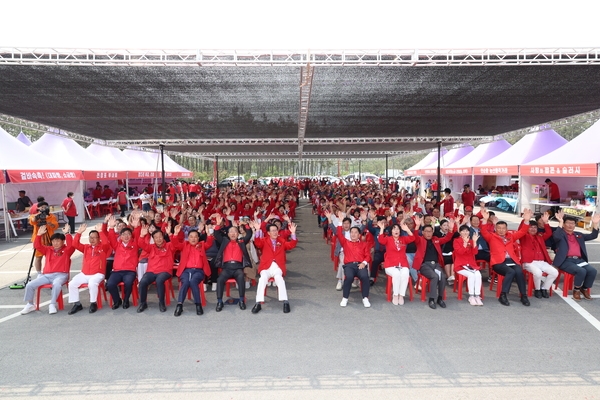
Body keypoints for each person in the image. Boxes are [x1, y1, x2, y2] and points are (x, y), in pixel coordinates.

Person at [480, 208, 533, 306]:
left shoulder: (511, 236)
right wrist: (484, 220)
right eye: (499, 228)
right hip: (498, 262)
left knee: (519, 271)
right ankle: (503, 295)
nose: (501, 230)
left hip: (511, 260)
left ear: (506, 229)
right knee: (511, 271)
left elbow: (522, 232)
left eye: (503, 228)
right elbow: (483, 231)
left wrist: (526, 220)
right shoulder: (491, 237)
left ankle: (523, 295)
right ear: (496, 228)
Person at [20, 224, 75, 315]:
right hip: (47, 276)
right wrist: (38, 235)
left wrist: (67, 234)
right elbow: (37, 246)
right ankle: (30, 304)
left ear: (63, 241)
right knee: (30, 285)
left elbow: (72, 246)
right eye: (53, 241)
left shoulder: (67, 250)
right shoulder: (48, 249)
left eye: (58, 241)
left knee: (57, 284)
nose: (55, 243)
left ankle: (52, 304)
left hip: (61, 275)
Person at [250, 221, 298, 314]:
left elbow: (291, 245)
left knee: (279, 279)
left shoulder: (282, 241)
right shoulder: (264, 240)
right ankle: (258, 303)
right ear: (268, 233)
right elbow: (257, 243)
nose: (275, 232)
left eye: (276, 230)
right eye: (273, 231)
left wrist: (293, 233)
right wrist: (258, 230)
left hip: (277, 267)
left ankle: (285, 302)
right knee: (262, 279)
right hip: (266, 267)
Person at [553, 211, 600, 301]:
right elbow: (556, 236)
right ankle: (576, 290)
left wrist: (595, 223)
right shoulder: (561, 234)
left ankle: (584, 288)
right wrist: (560, 222)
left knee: (592, 271)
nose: (570, 225)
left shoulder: (579, 235)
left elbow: (593, 235)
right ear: (564, 224)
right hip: (565, 261)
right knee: (581, 271)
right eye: (568, 223)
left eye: (573, 223)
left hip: (579, 260)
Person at [67, 223, 111, 314]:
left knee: (92, 283)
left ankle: (93, 303)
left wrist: (100, 231)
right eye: (91, 237)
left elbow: (106, 242)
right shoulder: (86, 247)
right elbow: (75, 244)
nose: (92, 239)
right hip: (84, 273)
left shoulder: (103, 247)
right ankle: (77, 304)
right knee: (72, 284)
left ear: (99, 238)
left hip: (98, 273)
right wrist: (79, 233)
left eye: (95, 237)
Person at [413, 217, 454, 309]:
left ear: (433, 232)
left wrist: (451, 229)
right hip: (424, 265)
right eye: (426, 231)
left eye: (430, 231)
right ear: (423, 232)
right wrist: (417, 226)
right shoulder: (420, 240)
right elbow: (414, 237)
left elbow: (447, 238)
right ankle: (431, 299)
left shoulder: (436, 239)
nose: (428, 233)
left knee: (442, 277)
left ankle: (440, 298)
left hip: (435, 265)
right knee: (434, 277)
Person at [213, 217, 254, 312]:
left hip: (237, 267)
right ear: (228, 234)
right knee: (219, 280)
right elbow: (216, 234)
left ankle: (241, 300)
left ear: (238, 234)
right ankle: (219, 302)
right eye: (231, 232)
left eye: (235, 232)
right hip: (226, 268)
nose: (233, 233)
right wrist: (218, 225)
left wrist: (245, 224)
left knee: (240, 278)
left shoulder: (241, 242)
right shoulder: (224, 241)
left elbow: (249, 234)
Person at [171, 226, 213, 316]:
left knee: (193, 281)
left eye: (195, 237)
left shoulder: (201, 245)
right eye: (191, 236)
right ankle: (179, 305)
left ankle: (198, 304)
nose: (193, 239)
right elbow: (175, 244)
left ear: (198, 238)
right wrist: (175, 234)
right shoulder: (185, 245)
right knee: (185, 282)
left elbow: (209, 243)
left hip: (199, 271)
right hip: (186, 271)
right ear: (188, 238)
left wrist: (209, 235)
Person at [136, 224, 177, 312]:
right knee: (142, 282)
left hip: (165, 271)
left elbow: (176, 244)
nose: (158, 239)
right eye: (156, 237)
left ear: (163, 237)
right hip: (151, 271)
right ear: (153, 239)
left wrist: (170, 234)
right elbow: (141, 244)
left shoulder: (169, 246)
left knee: (159, 280)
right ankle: (143, 303)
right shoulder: (151, 247)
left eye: (160, 237)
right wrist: (142, 235)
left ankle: (161, 302)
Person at [519, 212, 558, 299]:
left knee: (555, 272)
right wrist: (526, 220)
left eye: (535, 227)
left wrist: (546, 222)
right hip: (529, 262)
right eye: (531, 227)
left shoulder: (539, 236)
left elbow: (548, 233)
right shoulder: (523, 236)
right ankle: (537, 289)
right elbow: (521, 229)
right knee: (538, 273)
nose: (533, 229)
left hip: (541, 262)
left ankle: (544, 288)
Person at [104, 216, 139, 309]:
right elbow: (111, 237)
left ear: (131, 236)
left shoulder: (134, 245)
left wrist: (136, 227)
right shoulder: (117, 245)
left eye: (128, 234)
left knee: (128, 283)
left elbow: (139, 236)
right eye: (124, 234)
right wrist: (111, 228)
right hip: (117, 271)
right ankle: (117, 300)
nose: (126, 236)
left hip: (130, 271)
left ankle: (126, 299)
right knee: (110, 284)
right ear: (121, 236)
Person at [377, 219, 415, 305]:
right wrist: (382, 229)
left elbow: (412, 238)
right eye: (394, 229)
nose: (396, 231)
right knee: (397, 274)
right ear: (391, 231)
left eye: (398, 229)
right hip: (390, 265)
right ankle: (395, 295)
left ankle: (401, 295)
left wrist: (407, 229)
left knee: (405, 274)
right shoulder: (388, 239)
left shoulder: (403, 239)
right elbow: (380, 240)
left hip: (403, 264)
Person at [335, 223, 372, 308]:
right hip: (349, 265)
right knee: (349, 277)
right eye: (352, 232)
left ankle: (365, 298)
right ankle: (345, 297)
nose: (353, 234)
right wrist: (340, 222)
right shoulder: (346, 242)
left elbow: (368, 256)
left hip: (360, 265)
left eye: (356, 232)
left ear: (359, 235)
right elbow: (339, 234)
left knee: (365, 276)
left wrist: (364, 263)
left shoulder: (364, 244)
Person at [453, 225, 483, 306]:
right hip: (460, 266)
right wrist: (465, 243)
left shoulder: (471, 241)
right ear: (460, 232)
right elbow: (460, 252)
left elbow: (475, 253)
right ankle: (471, 296)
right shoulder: (456, 241)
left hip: (471, 265)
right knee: (471, 275)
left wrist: (474, 242)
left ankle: (477, 295)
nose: (465, 232)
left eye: (467, 231)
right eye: (463, 231)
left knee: (478, 274)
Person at [29, 202, 59, 275]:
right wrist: (38, 216)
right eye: (42, 207)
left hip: (50, 239)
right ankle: (39, 274)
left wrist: (49, 223)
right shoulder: (34, 216)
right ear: (38, 208)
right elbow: (32, 221)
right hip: (39, 239)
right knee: (38, 257)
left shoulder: (51, 216)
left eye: (45, 207)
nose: (43, 208)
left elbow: (55, 226)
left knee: (51, 257)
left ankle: (51, 271)